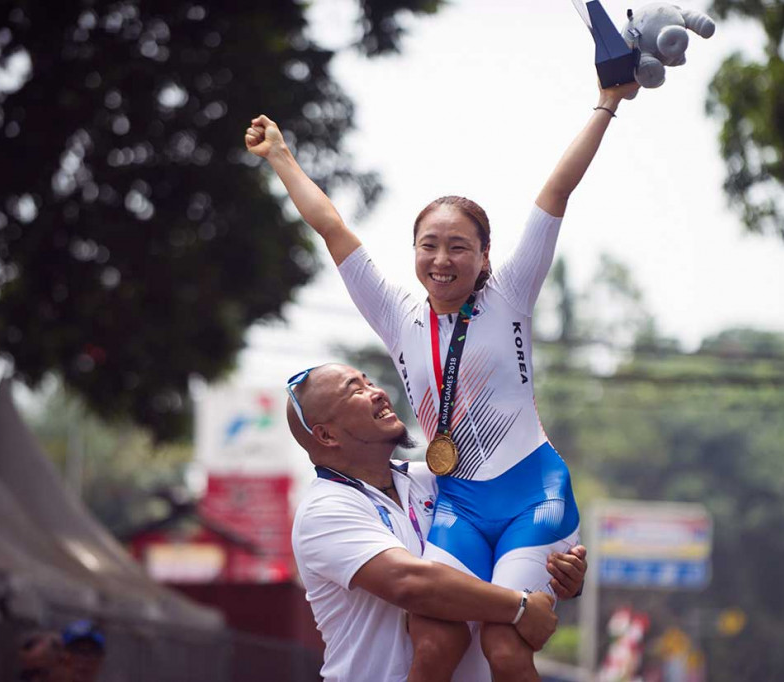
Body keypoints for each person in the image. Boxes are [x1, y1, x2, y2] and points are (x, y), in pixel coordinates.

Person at [248, 77, 637, 680]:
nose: (442, 260)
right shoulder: (398, 315)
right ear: (413, 253)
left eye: (460, 247)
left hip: (532, 493)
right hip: (458, 498)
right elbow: (333, 229)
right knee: (433, 642)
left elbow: (557, 191)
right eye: (429, 245)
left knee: (508, 648)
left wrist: (606, 103)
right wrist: (280, 157)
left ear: (486, 256)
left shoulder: (510, 295)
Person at [286, 363, 588, 682]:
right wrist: (521, 606)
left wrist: (558, 572)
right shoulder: (325, 509)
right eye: (356, 391)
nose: (378, 393)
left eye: (370, 381)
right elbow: (410, 583)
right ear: (326, 435)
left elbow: (507, 535)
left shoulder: (432, 479)